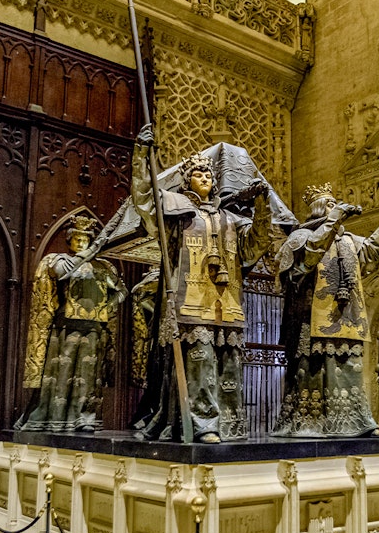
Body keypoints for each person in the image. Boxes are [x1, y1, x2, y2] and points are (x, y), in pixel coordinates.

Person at [130, 125, 271, 443]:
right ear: (187, 181)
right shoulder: (177, 211)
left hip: (226, 303)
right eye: (198, 174)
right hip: (191, 302)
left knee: (227, 369)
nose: (205, 177)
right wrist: (141, 156)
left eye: (209, 174)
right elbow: (144, 199)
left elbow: (254, 246)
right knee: (200, 364)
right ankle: (202, 423)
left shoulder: (231, 220)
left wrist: (262, 205)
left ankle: (229, 424)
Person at [271, 183, 379, 438]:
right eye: (329, 205)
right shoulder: (300, 237)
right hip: (310, 320)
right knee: (313, 371)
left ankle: (356, 424)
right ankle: (308, 424)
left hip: (346, 319)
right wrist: (332, 222)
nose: (335, 208)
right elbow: (309, 258)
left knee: (350, 372)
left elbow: (372, 250)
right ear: (318, 210)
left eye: (335, 204)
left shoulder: (347, 240)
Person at [19, 213, 128, 432]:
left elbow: (122, 290)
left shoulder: (104, 267)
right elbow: (60, 273)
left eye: (86, 239)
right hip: (66, 328)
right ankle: (55, 417)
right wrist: (88, 253)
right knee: (61, 374)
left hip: (94, 328)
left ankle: (83, 417)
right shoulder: (58, 260)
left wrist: (109, 306)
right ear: (69, 241)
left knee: (88, 376)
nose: (81, 243)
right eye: (77, 239)